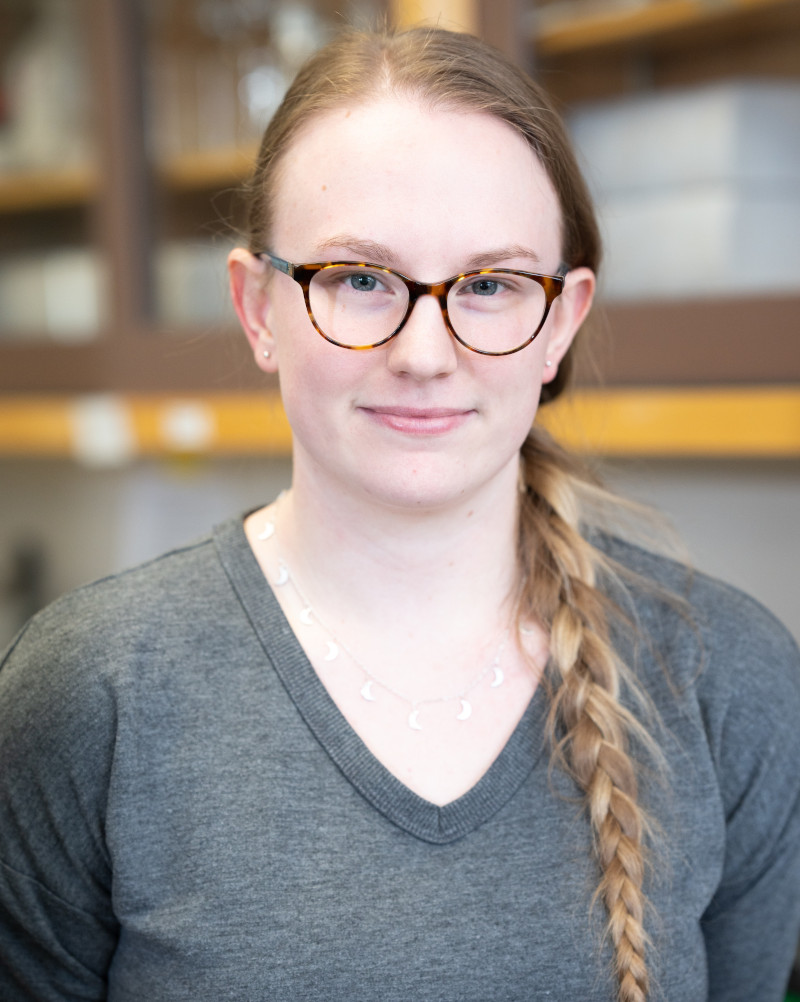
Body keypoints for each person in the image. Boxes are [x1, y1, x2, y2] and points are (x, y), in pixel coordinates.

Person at [1, 25, 799, 1002]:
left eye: (492, 284)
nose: (424, 352)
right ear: (257, 310)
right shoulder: (86, 694)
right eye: (360, 279)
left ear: (560, 321)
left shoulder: (732, 684)